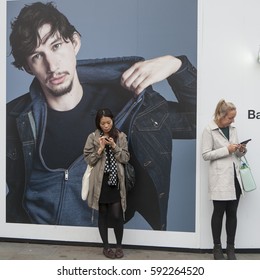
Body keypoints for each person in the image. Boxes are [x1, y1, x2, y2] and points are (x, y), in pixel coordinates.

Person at [6, 1, 197, 230]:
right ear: (28, 67)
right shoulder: (13, 118)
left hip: (99, 250)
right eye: (37, 55)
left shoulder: (127, 107)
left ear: (74, 42)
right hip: (29, 248)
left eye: (56, 46)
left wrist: (176, 65)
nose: (52, 65)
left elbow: (202, 119)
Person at [201, 99, 247, 260]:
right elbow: (206, 155)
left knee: (232, 213)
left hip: (235, 177)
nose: (233, 120)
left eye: (234, 117)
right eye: (230, 117)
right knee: (219, 213)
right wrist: (226, 149)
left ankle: (231, 248)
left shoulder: (233, 128)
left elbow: (236, 153)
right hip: (220, 178)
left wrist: (241, 150)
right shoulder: (209, 130)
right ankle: (217, 248)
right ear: (221, 116)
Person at [83, 108, 129, 258]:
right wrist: (100, 148)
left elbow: (126, 158)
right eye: (103, 123)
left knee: (117, 215)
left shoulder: (120, 136)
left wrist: (115, 146)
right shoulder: (92, 137)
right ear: (98, 123)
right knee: (102, 213)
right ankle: (106, 247)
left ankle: (119, 246)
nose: (106, 126)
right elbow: (88, 160)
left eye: (108, 122)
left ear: (112, 121)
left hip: (115, 181)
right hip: (100, 182)